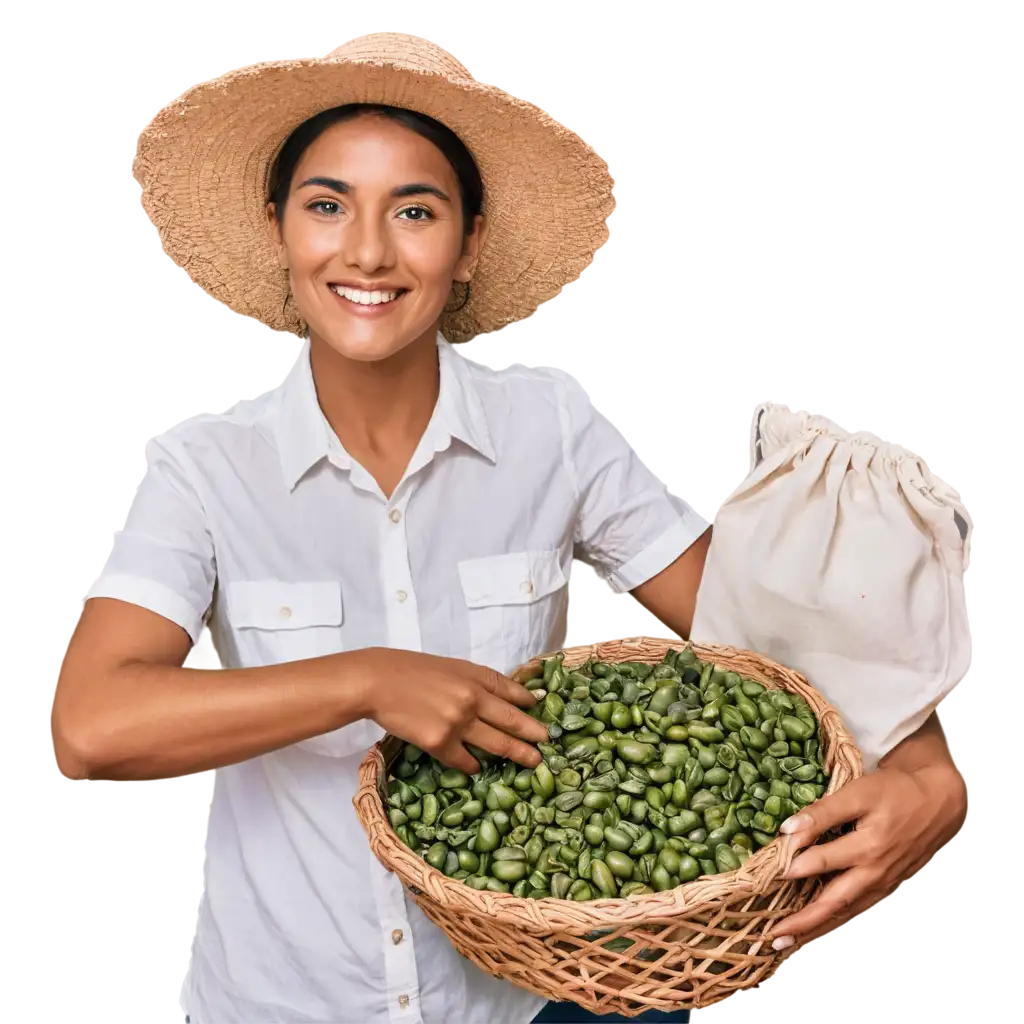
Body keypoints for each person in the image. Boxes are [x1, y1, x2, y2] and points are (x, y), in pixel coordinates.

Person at [50, 31, 967, 1024]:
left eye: (415, 210)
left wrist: (930, 775)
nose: (366, 250)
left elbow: (754, 631)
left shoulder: (554, 430)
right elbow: (93, 727)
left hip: (534, 996)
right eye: (326, 205)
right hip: (281, 1003)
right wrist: (365, 676)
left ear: (469, 244)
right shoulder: (203, 464)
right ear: (279, 230)